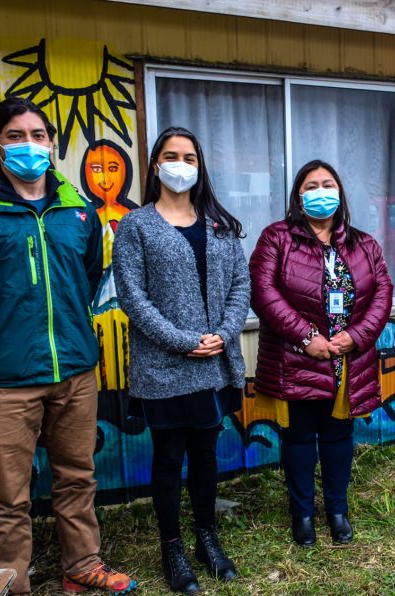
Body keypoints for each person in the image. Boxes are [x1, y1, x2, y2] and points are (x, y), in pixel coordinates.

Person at [0, 98, 136, 595]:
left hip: (76, 370)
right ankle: (11, 584)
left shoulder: (76, 210)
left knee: (77, 478)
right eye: (16, 136)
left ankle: (81, 566)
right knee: (8, 495)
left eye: (38, 135)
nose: (29, 145)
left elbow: (85, 278)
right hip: (4, 380)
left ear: (52, 144)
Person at [112, 127, 250, 593]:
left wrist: (224, 333)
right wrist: (182, 340)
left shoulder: (221, 225)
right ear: (155, 165)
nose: (180, 164)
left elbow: (240, 287)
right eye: (171, 156)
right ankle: (172, 546)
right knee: (170, 457)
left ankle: (207, 538)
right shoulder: (137, 225)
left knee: (206, 455)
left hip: (214, 361)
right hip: (164, 366)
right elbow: (132, 297)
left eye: (189, 156)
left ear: (200, 165)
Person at [249, 160, 393, 547]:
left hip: (348, 359)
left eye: (328, 184)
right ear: (299, 195)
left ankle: (337, 511)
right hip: (295, 359)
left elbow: (382, 294)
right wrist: (306, 337)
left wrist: (357, 336)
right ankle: (303, 515)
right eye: (311, 185)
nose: (321, 191)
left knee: (337, 436)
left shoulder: (364, 244)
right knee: (297, 438)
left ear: (340, 193)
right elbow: (264, 293)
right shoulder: (276, 238)